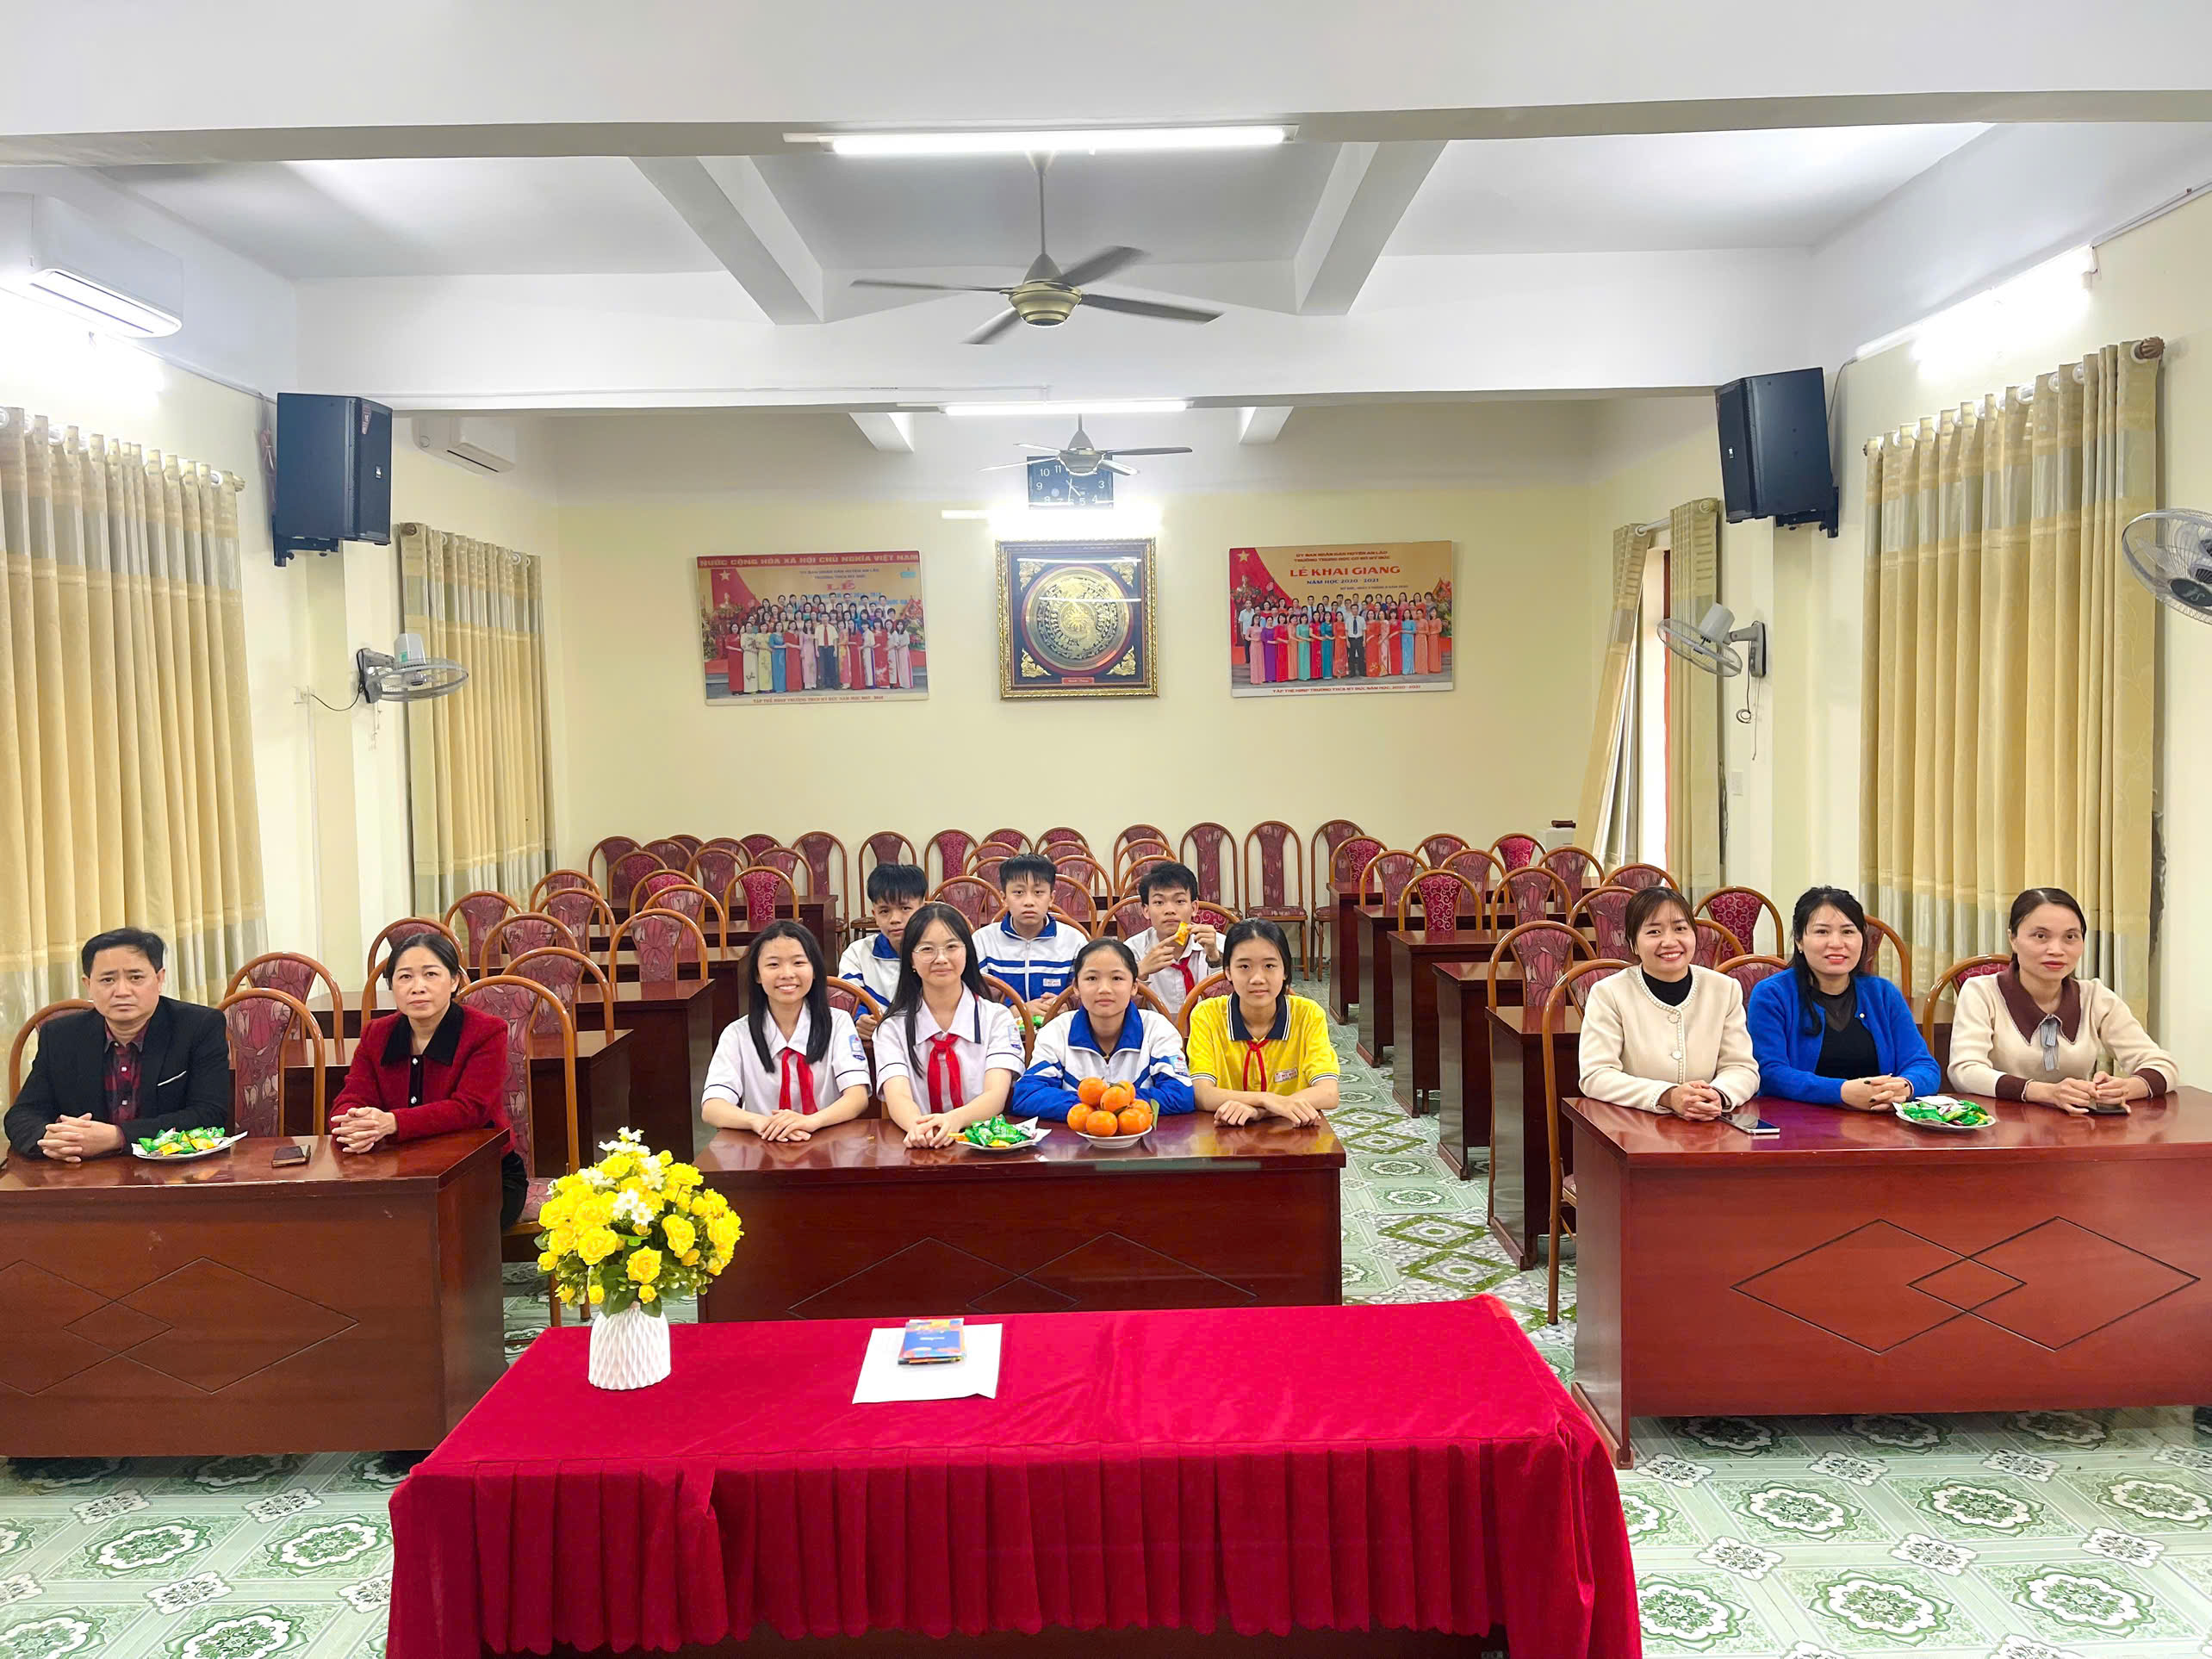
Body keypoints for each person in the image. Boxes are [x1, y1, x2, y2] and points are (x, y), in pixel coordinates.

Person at [327, 931, 529, 1229]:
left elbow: (471, 1109)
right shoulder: (376, 1034)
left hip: (481, 1173)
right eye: (405, 977)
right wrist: (353, 1123)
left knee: (434, 1231)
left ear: (454, 980)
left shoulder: (486, 1031)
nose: (417, 987)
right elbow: (350, 1097)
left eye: (430, 974)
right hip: (398, 1174)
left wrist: (392, 1123)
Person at [5, 928, 232, 1161]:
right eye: (107, 980)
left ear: (159, 979)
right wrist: (53, 1141)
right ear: (88, 984)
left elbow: (209, 1115)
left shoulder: (199, 1027)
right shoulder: (60, 1036)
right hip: (83, 1172)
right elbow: (22, 1115)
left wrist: (119, 1137)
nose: (122, 991)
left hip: (171, 1172)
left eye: (135, 978)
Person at [1947, 885, 2178, 1111]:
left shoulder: (2095, 997)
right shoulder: (1981, 992)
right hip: (2000, 1126)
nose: (2056, 950)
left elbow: (2162, 1065)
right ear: (2013, 939)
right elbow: (1965, 1071)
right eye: (2040, 936)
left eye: (2070, 937)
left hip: (2077, 1125)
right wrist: (2046, 1092)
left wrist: (2124, 1089)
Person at [1746, 885, 1940, 1109]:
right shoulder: (1772, 995)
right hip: (1797, 1121)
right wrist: (1842, 1092)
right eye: (1822, 932)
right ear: (1799, 940)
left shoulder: (1883, 994)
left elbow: (1924, 1066)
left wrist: (1904, 1087)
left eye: (1848, 932)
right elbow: (1770, 1072)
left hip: (1877, 1123)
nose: (1837, 943)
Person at [1577, 886, 1761, 1117]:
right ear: (1633, 943)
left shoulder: (1724, 989)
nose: (1670, 941)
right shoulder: (1609, 993)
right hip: (1633, 1123)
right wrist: (1667, 1096)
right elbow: (1596, 1075)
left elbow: (1742, 1068)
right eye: (1654, 932)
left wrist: (1717, 1094)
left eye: (1680, 928)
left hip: (1708, 1121)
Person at [873, 904, 1026, 1146]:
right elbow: (898, 1095)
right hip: (918, 1144)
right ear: (910, 959)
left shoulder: (997, 1018)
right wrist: (918, 1127)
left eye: (952, 947)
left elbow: (996, 1095)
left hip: (983, 1147)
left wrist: (953, 1121)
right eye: (927, 949)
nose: (941, 958)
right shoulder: (892, 1028)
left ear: (967, 953)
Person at [701, 922, 871, 1141]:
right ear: (757, 975)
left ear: (814, 970)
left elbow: (857, 1097)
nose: (787, 974)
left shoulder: (838, 1023)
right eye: (773, 965)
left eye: (798, 962)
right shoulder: (737, 1034)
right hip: (764, 1144)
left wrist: (811, 1122)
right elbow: (712, 1107)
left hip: (829, 1143)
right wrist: (760, 1122)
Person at [1012, 938, 1196, 1122]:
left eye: (1117, 978)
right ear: (1076, 987)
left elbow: (1180, 1094)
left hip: (1143, 1137)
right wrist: (1108, 1104)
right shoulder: (1057, 1031)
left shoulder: (1157, 1028)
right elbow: (1027, 1095)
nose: (1104, 989)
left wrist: (1100, 1104)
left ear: (1134, 987)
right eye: (1092, 978)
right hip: (1075, 1137)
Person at [1186, 919, 1339, 1125]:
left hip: (1291, 1133)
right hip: (1225, 1134)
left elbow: (1329, 1093)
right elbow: (1201, 1094)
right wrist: (1266, 1099)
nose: (1257, 978)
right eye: (1244, 966)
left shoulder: (1308, 1014)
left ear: (1285, 970)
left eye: (1269, 966)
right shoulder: (1207, 1015)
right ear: (1228, 971)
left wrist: (1261, 1112)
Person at [973, 853, 1087, 1018]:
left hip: (1059, 1028)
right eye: (1018, 892)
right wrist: (1013, 1011)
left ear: (1051, 898)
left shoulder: (1074, 941)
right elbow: (974, 997)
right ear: (1004, 898)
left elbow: (1086, 992)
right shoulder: (983, 941)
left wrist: (1067, 1005)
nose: (1029, 902)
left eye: (1038, 892)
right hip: (1001, 1029)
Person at [1122, 861, 1221, 1017]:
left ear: (1194, 908)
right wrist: (1139, 972)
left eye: (1179, 901)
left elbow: (1232, 1003)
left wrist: (1215, 959)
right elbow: (1120, 1011)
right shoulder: (1131, 950)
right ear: (1146, 911)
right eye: (1159, 902)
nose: (1170, 910)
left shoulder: (1218, 944)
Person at [836, 861, 927, 1027]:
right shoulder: (857, 953)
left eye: (905, 908)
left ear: (923, 908)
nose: (895, 919)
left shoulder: (939, 953)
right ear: (874, 915)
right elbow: (848, 1003)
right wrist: (859, 1021)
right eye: (884, 911)